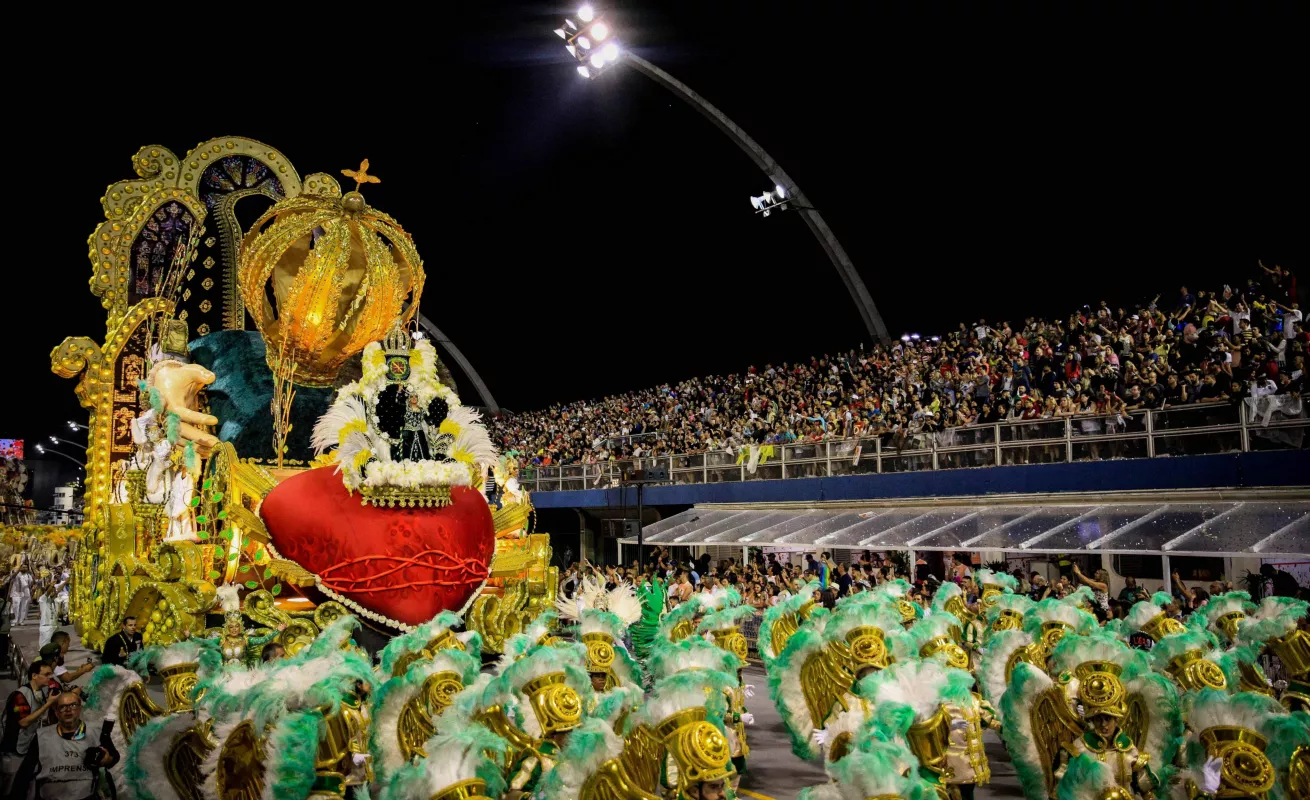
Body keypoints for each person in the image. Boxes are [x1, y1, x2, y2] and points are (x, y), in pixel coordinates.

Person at [26, 690, 118, 800]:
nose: (68, 710)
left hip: (87, 796)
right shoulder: (42, 736)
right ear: (56, 712)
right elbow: (25, 772)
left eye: (73, 705)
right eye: (63, 707)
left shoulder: (97, 732)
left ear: (80, 708)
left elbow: (114, 756)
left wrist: (108, 760)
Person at [1, 661, 56, 796]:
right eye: (46, 674)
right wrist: (48, 704)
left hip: (30, 748)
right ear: (34, 675)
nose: (50, 677)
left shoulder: (41, 692)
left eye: (51, 674)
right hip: (14, 751)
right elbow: (24, 722)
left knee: (27, 785)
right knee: (9, 787)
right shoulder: (20, 696)